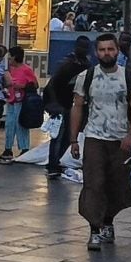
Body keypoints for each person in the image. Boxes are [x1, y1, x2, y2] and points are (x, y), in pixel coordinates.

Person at [70, 31, 131, 249]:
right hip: (94, 137)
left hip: (120, 140)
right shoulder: (87, 77)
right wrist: (74, 139)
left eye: (110, 49)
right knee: (94, 183)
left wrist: (130, 135)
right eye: (102, 50)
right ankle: (94, 229)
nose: (106, 53)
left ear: (117, 50)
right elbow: (77, 108)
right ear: (96, 52)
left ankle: (108, 222)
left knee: (117, 185)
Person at [42, 45, 87, 179]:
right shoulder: (70, 66)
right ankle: (53, 164)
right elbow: (52, 85)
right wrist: (53, 104)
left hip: (66, 105)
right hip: (62, 105)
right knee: (61, 136)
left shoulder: (75, 65)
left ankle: (54, 162)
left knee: (64, 136)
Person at [3, 46, 40, 158]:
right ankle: (8, 148)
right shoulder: (10, 69)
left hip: (21, 101)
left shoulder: (26, 70)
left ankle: (24, 147)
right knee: (9, 124)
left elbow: (35, 84)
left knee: (21, 125)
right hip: (12, 100)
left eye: (10, 57)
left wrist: (22, 86)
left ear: (15, 57)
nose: (9, 60)